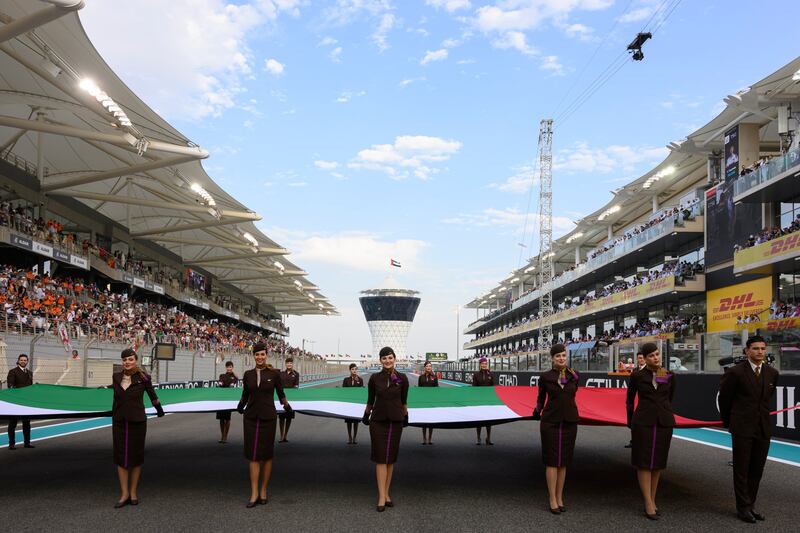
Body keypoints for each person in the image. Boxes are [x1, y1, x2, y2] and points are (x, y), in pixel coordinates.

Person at [719, 335, 780, 524]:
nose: (760, 352)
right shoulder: (735, 372)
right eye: (755, 348)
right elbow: (725, 399)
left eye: (762, 348)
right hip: (742, 427)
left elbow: (766, 398)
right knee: (741, 469)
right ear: (747, 351)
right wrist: (730, 422)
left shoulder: (772, 373)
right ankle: (743, 508)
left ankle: (751, 505)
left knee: (757, 469)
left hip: (763, 427)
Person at [237, 343, 292, 508]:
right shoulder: (248, 375)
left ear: (266, 355)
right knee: (253, 456)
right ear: (253, 356)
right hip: (251, 418)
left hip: (268, 418)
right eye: (257, 354)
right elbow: (245, 395)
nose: (259, 357)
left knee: (267, 456)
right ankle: (253, 493)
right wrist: (240, 406)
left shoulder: (274, 374)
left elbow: (281, 394)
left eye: (262, 354)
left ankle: (263, 490)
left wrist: (287, 407)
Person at [626, 342, 676, 520]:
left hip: (664, 422)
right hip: (642, 423)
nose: (656, 358)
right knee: (644, 462)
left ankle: (653, 499)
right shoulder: (637, 376)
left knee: (658, 463)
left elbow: (669, 398)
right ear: (645, 359)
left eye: (657, 354)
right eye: (651, 356)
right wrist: (629, 420)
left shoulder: (668, 375)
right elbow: (630, 400)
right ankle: (647, 502)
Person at [111, 348, 165, 508]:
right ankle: (124, 493)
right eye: (124, 360)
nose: (127, 362)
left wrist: (159, 410)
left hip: (137, 422)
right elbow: (115, 396)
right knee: (120, 458)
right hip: (119, 422)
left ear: (136, 360)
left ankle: (133, 492)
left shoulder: (143, 378)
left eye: (130, 359)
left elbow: (153, 396)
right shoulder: (116, 377)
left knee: (135, 458)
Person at [533, 344, 579, 515]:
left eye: (563, 355)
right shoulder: (545, 376)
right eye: (558, 355)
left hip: (569, 421)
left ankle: (560, 497)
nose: (561, 358)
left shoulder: (574, 375)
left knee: (564, 461)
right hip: (550, 422)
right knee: (552, 461)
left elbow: (573, 396)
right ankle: (552, 498)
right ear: (552, 358)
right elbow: (540, 398)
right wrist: (536, 411)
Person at [362, 346, 409, 512]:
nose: (387, 361)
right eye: (384, 358)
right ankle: (381, 496)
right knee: (381, 458)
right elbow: (370, 400)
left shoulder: (403, 378)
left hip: (396, 421)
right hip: (378, 421)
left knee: (391, 459)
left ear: (394, 358)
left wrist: (406, 415)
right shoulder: (374, 378)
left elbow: (404, 401)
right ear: (380, 360)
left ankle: (387, 493)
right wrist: (366, 415)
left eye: (390, 357)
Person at [7, 353, 34, 450]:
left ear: (27, 361)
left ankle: (27, 443)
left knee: (27, 423)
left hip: (26, 402)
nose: (23, 361)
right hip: (16, 401)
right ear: (18, 360)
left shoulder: (30, 373)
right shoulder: (13, 372)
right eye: (21, 360)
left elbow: (31, 388)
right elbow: (10, 385)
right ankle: (11, 444)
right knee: (12, 423)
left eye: (25, 360)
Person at [625, 351, 646, 449]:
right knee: (635, 422)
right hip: (642, 404)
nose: (641, 360)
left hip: (656, 405)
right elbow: (631, 390)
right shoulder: (635, 372)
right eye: (639, 358)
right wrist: (629, 403)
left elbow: (665, 390)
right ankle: (634, 441)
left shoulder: (660, 371)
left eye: (657, 355)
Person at [472, 357, 494, 445]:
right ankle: (478, 438)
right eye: (482, 363)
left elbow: (493, 387)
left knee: (489, 420)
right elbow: (474, 388)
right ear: (480, 364)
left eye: (485, 363)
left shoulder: (491, 374)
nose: (484, 365)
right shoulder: (476, 375)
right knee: (479, 420)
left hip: (488, 400)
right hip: (479, 400)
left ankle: (488, 438)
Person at [278, 357, 300, 443]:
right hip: (282, 398)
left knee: (289, 417)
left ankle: (285, 435)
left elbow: (296, 386)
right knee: (281, 418)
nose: (289, 364)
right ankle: (281, 435)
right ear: (285, 364)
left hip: (291, 399)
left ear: (292, 364)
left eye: (290, 363)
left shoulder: (296, 374)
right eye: (288, 363)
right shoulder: (281, 374)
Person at [216, 361, 238, 444]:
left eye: (230, 367)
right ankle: (222, 436)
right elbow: (220, 383)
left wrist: (233, 376)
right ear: (226, 367)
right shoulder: (222, 375)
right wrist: (220, 383)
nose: (229, 368)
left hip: (229, 399)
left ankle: (225, 436)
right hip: (221, 399)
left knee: (227, 419)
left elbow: (234, 382)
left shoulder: (234, 377)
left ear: (232, 367)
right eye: (228, 367)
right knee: (221, 419)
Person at [417, 361, 439, 445]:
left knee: (431, 421)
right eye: (427, 366)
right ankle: (424, 438)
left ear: (431, 367)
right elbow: (419, 390)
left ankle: (430, 438)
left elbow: (437, 389)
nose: (428, 367)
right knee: (424, 421)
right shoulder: (421, 377)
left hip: (432, 402)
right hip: (423, 402)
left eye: (430, 366)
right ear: (424, 367)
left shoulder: (434, 377)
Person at [343, 363, 364, 445]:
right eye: (352, 369)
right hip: (348, 404)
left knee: (356, 422)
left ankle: (355, 437)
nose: (354, 370)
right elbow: (343, 392)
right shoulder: (346, 380)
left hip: (356, 404)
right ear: (350, 370)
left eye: (355, 369)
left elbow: (361, 392)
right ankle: (349, 437)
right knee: (348, 422)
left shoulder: (360, 380)